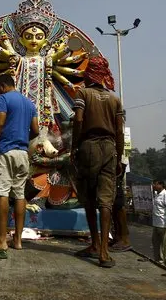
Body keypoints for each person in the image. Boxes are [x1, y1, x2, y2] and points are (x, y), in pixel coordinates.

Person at [71, 56, 124, 268]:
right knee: (106, 201)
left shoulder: (83, 93)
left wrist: (75, 146)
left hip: (89, 146)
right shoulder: (114, 99)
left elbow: (78, 119)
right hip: (110, 148)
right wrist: (118, 157)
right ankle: (104, 251)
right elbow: (119, 131)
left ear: (89, 73)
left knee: (89, 199)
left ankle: (94, 244)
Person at [0, 74, 39, 258]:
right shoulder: (29, 103)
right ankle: (18, 241)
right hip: (22, 154)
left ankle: (1, 240)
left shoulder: (4, 98)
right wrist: (20, 140)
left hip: (5, 151)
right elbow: (35, 130)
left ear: (2, 86)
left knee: (1, 193)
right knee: (20, 195)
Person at [110, 152, 132, 253]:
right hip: (115, 164)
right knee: (114, 208)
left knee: (118, 207)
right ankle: (118, 238)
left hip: (117, 165)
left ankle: (125, 239)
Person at [152, 180, 166, 266]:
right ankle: (158, 259)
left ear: (161, 185)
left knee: (164, 243)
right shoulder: (156, 194)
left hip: (163, 223)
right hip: (155, 223)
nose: (154, 185)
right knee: (155, 241)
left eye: (155, 184)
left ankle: (165, 260)